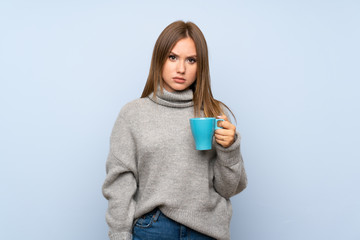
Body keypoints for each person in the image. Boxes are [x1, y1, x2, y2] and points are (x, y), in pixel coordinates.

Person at [102, 20, 247, 240]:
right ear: (159, 59)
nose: (181, 68)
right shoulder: (133, 114)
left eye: (191, 60)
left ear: (201, 66)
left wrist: (230, 148)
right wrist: (119, 235)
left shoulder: (214, 112)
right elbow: (120, 184)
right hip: (153, 228)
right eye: (172, 57)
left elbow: (229, 190)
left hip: (207, 231)